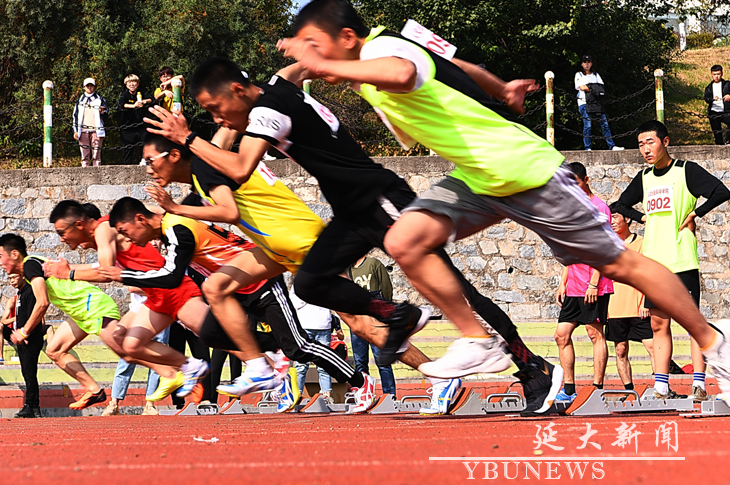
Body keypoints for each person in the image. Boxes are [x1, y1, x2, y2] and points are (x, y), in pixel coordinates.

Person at [277, 0, 730, 401]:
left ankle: (715, 345)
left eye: (316, 46)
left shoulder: (379, 54)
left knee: (620, 264)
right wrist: (500, 88)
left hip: (524, 171)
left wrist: (326, 67)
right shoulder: (389, 46)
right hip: (481, 176)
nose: (312, 57)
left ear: (347, 38)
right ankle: (478, 340)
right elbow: (451, 66)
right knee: (405, 240)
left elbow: (404, 72)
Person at [144, 58, 562, 416]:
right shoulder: (276, 84)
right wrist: (324, 61)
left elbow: (237, 170)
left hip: (378, 197)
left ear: (237, 90)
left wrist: (187, 138)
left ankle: (533, 369)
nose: (216, 117)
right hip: (349, 212)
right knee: (311, 284)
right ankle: (397, 314)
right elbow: (299, 67)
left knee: (457, 290)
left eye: (215, 108)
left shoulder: (265, 114)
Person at [103, 196, 371, 413]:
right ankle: (270, 359)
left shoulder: (176, 228)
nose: (128, 240)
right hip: (233, 291)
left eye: (126, 232)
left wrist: (122, 275)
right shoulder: (170, 226)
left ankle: (360, 382)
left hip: (259, 283)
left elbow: (172, 277)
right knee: (211, 333)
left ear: (140, 219)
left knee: (298, 346)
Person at [45, 199, 209, 405]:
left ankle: (257, 360)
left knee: (222, 338)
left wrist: (69, 274)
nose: (61, 239)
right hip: (157, 295)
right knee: (127, 342)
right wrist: (66, 271)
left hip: (173, 291)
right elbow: (99, 266)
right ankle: (181, 369)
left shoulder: (103, 229)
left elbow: (105, 273)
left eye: (62, 232)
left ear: (79, 225)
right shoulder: (103, 236)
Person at [612, 120, 730, 400]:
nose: (645, 149)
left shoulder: (685, 170)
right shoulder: (644, 177)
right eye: (641, 144)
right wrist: (643, 217)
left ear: (665, 142)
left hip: (682, 259)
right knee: (657, 325)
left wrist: (695, 214)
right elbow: (619, 204)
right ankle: (662, 386)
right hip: (654, 263)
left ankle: (699, 384)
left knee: (692, 324)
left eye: (650, 142)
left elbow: (721, 191)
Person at [0, 233, 123, 410]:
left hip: (93, 306)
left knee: (130, 351)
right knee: (54, 350)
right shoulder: (35, 263)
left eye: (1, 256)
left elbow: (42, 302)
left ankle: (171, 369)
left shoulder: (29, 265)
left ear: (14, 254)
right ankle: (94, 390)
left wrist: (24, 331)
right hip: (80, 313)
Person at [553, 163, 613, 403]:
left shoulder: (600, 208)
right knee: (561, 335)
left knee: (594, 333)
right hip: (574, 285)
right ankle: (569, 389)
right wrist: (563, 283)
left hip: (594, 283)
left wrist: (594, 282)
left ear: (586, 180)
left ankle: (597, 390)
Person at [606, 202, 654, 391]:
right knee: (620, 350)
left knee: (652, 347)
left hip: (638, 306)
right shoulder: (607, 244)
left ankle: (661, 388)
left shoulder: (642, 243)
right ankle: (629, 390)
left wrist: (645, 301)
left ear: (627, 218)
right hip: (614, 306)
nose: (612, 221)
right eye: (609, 217)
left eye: (616, 217)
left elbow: (648, 274)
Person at [0, 273, 48, 418]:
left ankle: (30, 405)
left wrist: (26, 334)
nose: (12, 281)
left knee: (29, 373)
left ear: (23, 276)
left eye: (14, 277)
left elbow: (33, 315)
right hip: (22, 337)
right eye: (10, 278)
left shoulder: (30, 292)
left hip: (30, 338)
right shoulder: (20, 294)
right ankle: (34, 406)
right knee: (27, 372)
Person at [346, 255, 397, 398]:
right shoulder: (347, 270)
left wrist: (384, 312)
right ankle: (364, 394)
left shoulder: (373, 264)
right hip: (357, 319)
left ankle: (389, 395)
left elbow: (387, 288)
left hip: (375, 317)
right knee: (360, 362)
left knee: (382, 360)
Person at [289, 289, 336, 402]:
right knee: (301, 364)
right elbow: (293, 303)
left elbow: (332, 300)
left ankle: (327, 394)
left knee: (324, 363)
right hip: (305, 325)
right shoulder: (299, 282)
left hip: (323, 325)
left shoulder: (326, 282)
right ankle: (297, 395)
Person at [575, 55, 623, 151]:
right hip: (584, 102)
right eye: (585, 62)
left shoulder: (596, 75)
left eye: (588, 62)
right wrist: (594, 88)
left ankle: (611, 145)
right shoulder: (579, 75)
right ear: (582, 64)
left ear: (591, 63)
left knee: (604, 124)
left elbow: (601, 88)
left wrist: (590, 88)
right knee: (588, 125)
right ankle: (587, 147)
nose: (587, 64)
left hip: (597, 103)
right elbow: (582, 87)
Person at [118, 74, 153, 164]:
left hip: (140, 125)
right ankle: (127, 167)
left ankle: (145, 160)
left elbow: (151, 99)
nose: (132, 84)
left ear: (137, 83)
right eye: (129, 82)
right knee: (127, 149)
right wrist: (133, 106)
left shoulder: (141, 92)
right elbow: (121, 105)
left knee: (146, 141)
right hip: (127, 126)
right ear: (126, 85)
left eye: (134, 82)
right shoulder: (124, 94)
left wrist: (144, 101)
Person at [72, 77, 107, 166]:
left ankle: (97, 174)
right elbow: (75, 116)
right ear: (84, 87)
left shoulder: (100, 99)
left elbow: (106, 115)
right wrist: (75, 130)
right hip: (83, 130)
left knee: (96, 155)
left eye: (91, 86)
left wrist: (103, 113)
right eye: (87, 86)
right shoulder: (80, 100)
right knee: (84, 155)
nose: (89, 88)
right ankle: (85, 174)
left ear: (94, 87)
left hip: (96, 130)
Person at [703, 64, 730, 146]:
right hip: (714, 112)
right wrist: (712, 99)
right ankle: (719, 147)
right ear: (711, 75)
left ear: (721, 74)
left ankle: (728, 141)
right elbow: (706, 98)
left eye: (718, 74)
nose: (716, 76)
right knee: (717, 132)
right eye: (714, 74)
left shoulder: (727, 84)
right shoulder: (709, 87)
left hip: (726, 111)